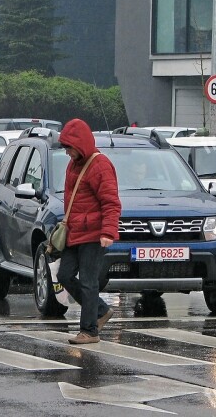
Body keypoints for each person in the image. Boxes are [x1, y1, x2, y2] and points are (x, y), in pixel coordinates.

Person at [57, 119, 122, 344]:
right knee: (63, 275)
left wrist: (108, 232)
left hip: (94, 234)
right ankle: (101, 310)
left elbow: (111, 202)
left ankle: (89, 331)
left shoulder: (100, 165)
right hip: (76, 232)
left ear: (80, 144)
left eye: (69, 147)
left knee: (88, 281)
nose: (67, 152)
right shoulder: (74, 164)